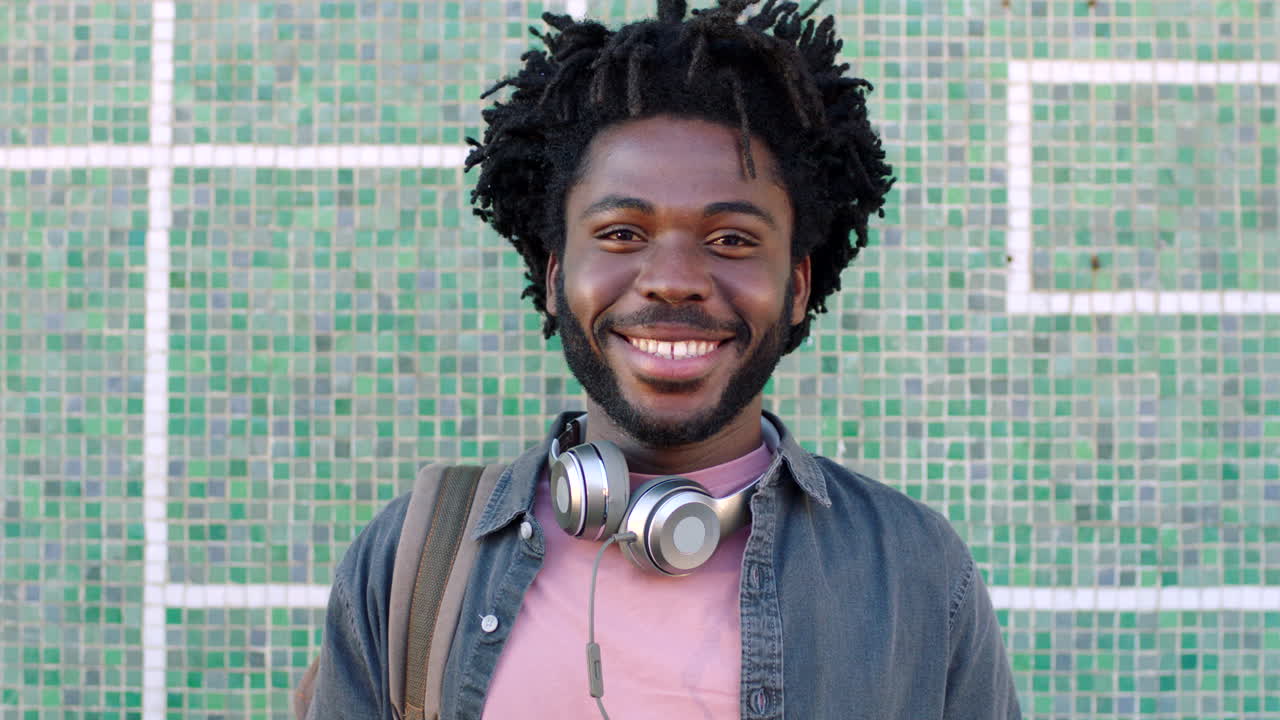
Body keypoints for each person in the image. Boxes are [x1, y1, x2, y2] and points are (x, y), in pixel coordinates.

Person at [306, 0, 1021, 717]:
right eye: (621, 232)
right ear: (556, 278)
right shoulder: (413, 558)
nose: (673, 277)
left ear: (797, 286)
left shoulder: (916, 573)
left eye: (732, 240)